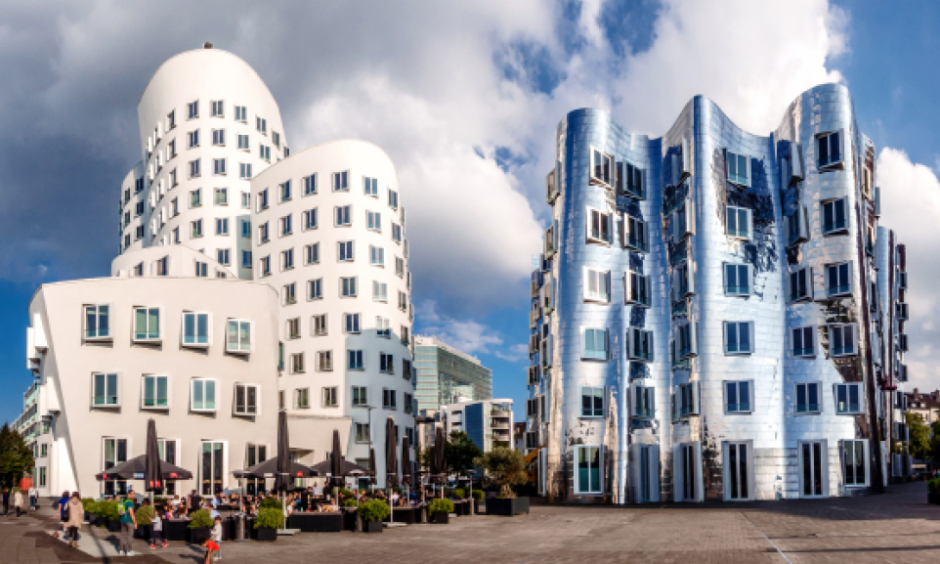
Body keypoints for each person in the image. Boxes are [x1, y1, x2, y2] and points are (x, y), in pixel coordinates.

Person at [119, 490, 137, 556]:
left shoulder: (122, 500)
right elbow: (131, 513)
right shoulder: (130, 502)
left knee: (122, 535)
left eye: (134, 494)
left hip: (122, 520)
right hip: (129, 521)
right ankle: (129, 551)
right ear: (129, 494)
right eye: (133, 494)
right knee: (129, 536)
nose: (134, 496)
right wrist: (135, 522)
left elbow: (120, 512)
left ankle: (121, 550)